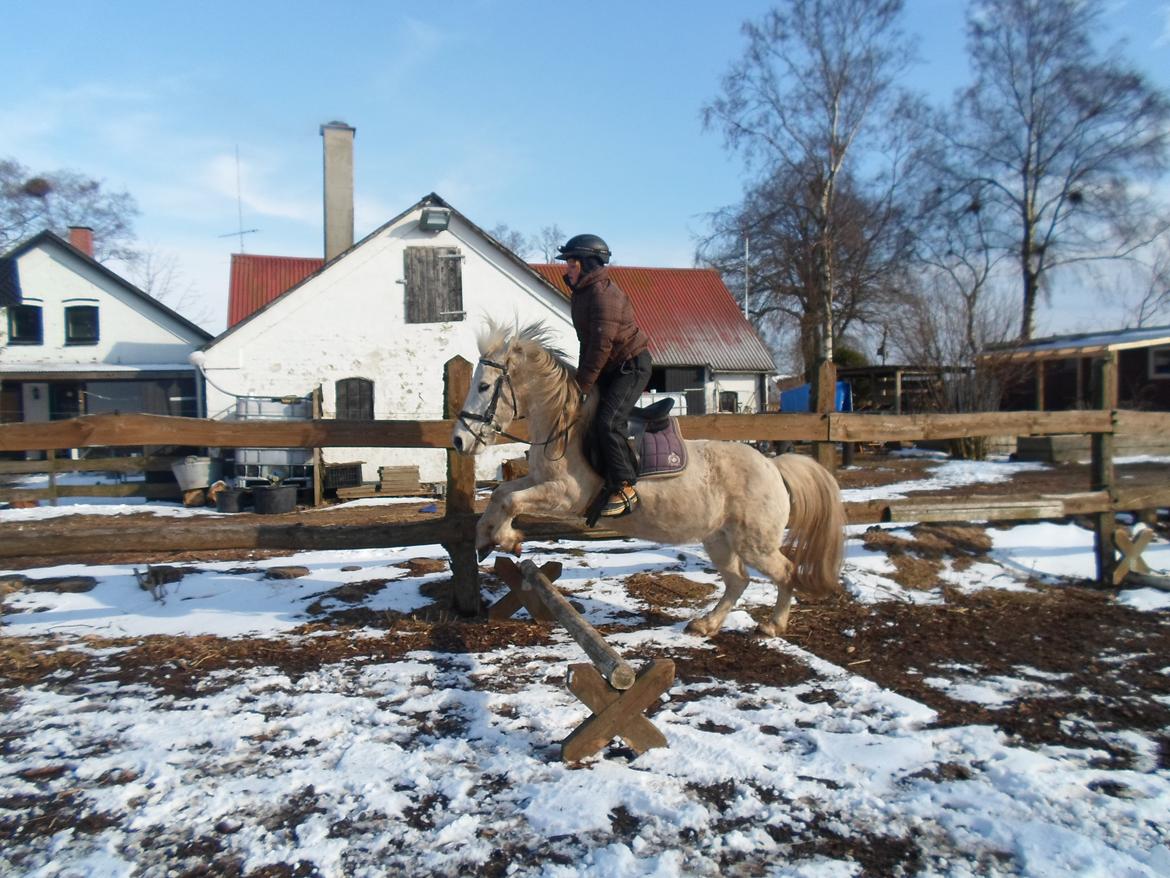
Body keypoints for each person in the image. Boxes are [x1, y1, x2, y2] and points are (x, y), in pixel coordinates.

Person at [556, 234, 652, 517]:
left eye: (571, 263)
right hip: (611, 368)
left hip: (631, 367)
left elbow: (600, 346)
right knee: (587, 418)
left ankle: (626, 486)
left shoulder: (603, 295)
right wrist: (578, 384)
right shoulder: (583, 294)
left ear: (586, 263)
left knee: (609, 423)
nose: (567, 268)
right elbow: (587, 344)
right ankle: (599, 480)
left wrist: (582, 385)